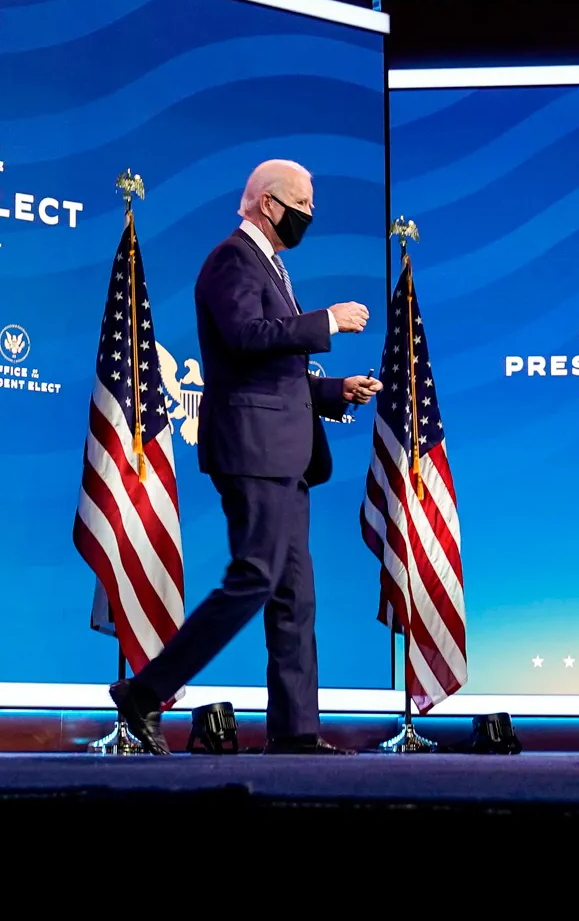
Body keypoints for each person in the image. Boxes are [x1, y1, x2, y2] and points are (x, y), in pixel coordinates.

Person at [108, 160, 381, 755]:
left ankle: (295, 732)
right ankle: (144, 692)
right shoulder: (232, 259)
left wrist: (334, 391)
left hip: (286, 452)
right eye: (303, 203)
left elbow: (275, 370)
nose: (310, 214)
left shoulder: (273, 268)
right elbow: (245, 339)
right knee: (253, 578)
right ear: (267, 203)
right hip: (254, 450)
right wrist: (326, 321)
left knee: (294, 595)